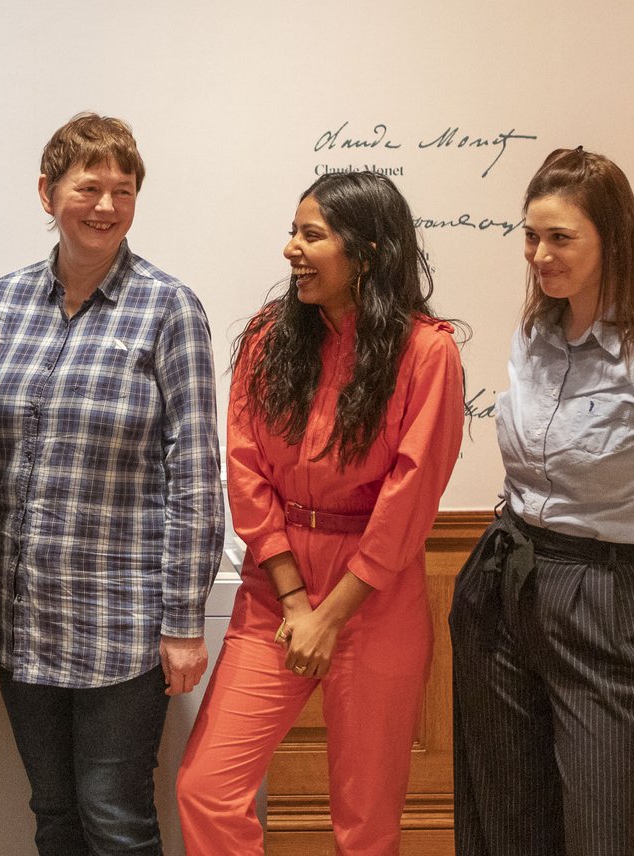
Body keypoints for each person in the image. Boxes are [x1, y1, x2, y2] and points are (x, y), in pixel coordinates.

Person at [450, 148, 634, 856]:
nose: (539, 254)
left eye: (560, 238)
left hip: (607, 593)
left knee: (604, 827)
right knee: (509, 819)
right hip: (507, 579)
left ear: (612, 239)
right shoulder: (534, 338)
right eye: (530, 235)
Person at [175, 171, 466, 855]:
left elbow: (410, 496)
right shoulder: (270, 339)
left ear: (366, 252)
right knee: (206, 788)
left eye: (312, 235)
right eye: (293, 232)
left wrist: (331, 614)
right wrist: (297, 604)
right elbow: (244, 470)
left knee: (365, 824)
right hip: (276, 592)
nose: (291, 249)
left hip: (376, 595)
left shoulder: (428, 352)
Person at [0, 113, 224, 856]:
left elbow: (196, 471)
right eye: (89, 186)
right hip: (23, 618)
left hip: (123, 622)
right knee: (52, 811)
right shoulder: (3, 301)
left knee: (113, 815)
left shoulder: (168, 308)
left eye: (124, 189)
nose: (106, 205)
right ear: (49, 193)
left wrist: (183, 623)